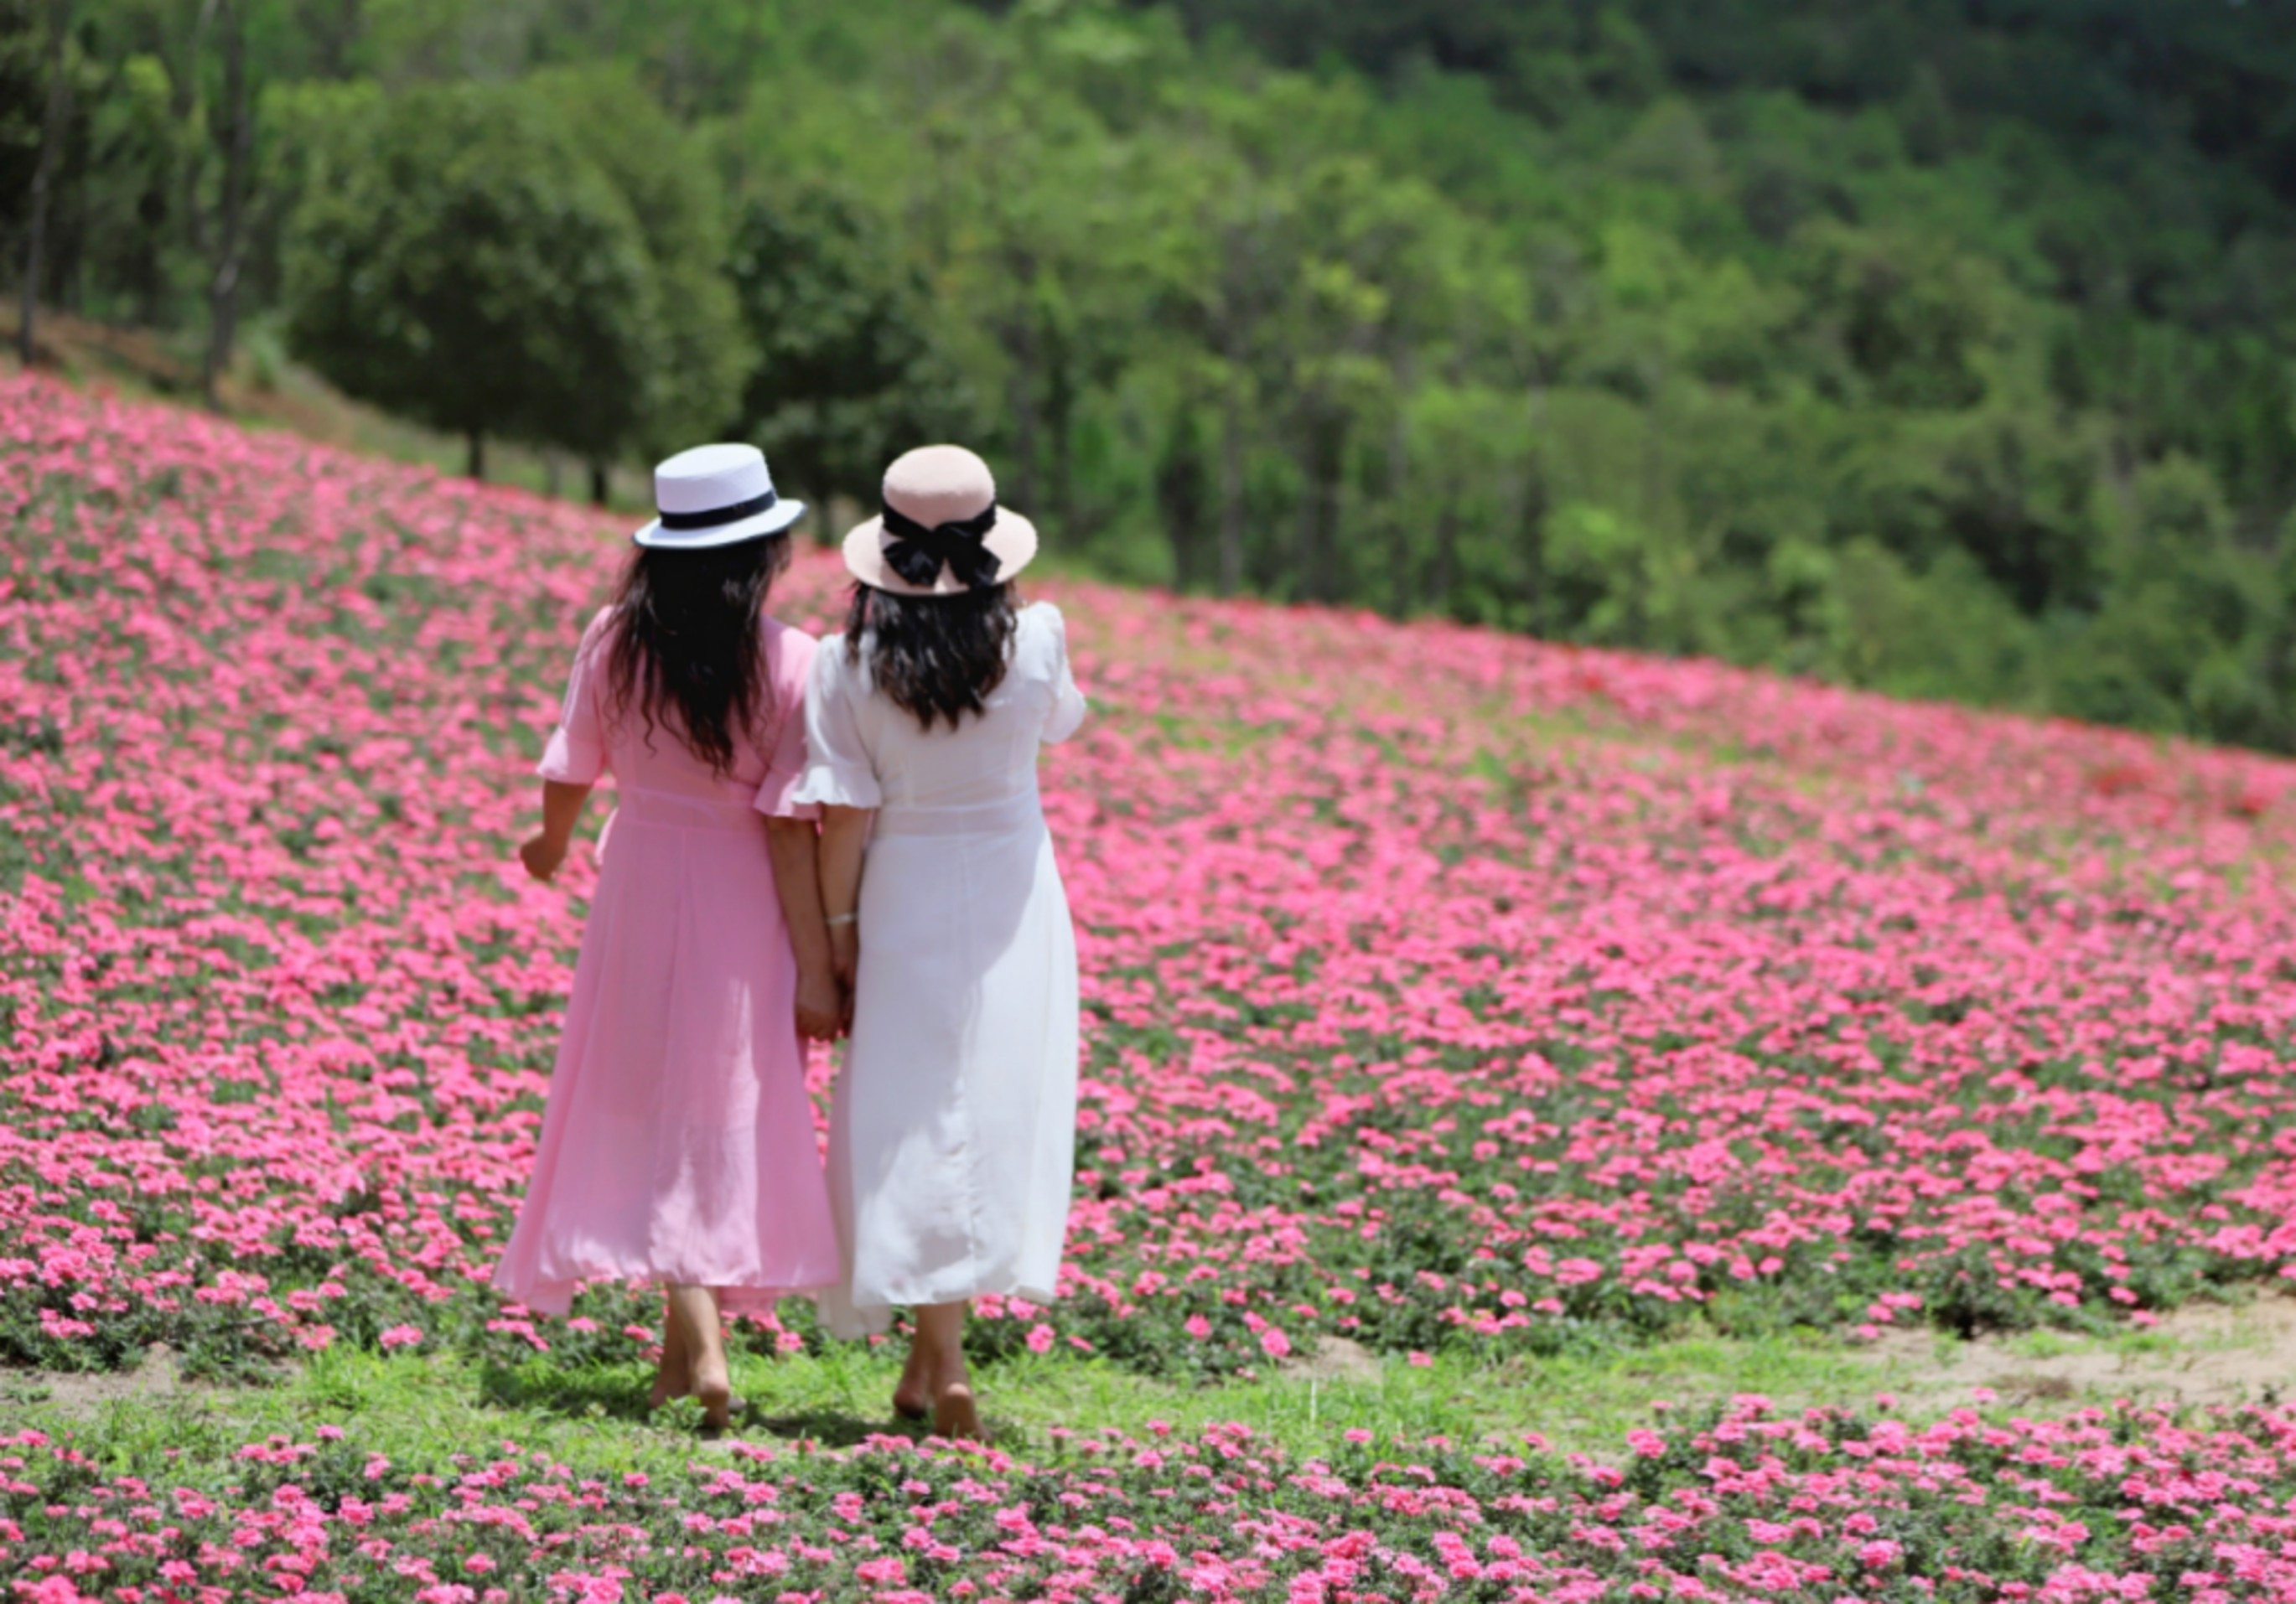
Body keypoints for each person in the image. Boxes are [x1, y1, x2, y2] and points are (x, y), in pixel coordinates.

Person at [494, 443, 843, 1434]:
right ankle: (691, 1353)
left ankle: (695, 1354)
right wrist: (818, 957)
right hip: (743, 891)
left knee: (649, 1099)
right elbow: (789, 817)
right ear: (764, 550)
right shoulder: (794, 658)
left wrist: (550, 844)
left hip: (641, 877)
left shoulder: (616, 638)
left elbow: (572, 765)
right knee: (714, 1105)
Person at [796, 443, 1087, 1441]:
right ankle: (944, 1362)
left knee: (911, 1114)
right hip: (1015, 890)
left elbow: (841, 819)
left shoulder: (845, 667)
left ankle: (940, 1361)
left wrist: (837, 938)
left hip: (901, 889)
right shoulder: (1038, 641)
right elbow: (1056, 731)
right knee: (998, 1103)